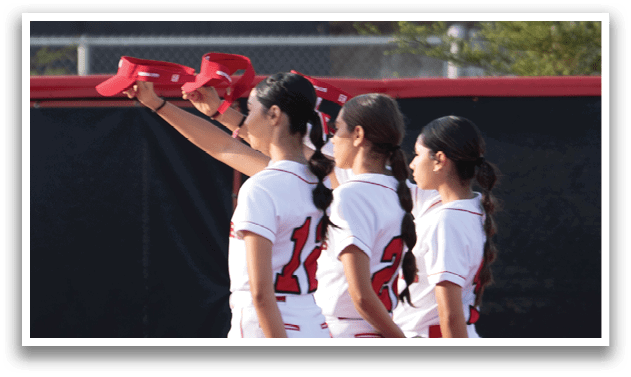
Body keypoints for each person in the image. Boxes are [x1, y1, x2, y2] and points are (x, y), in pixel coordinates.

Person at [124, 72, 335, 338]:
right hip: (312, 323)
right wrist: (160, 104)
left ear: (274, 115)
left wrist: (219, 111)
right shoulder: (322, 183)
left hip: (266, 326)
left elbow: (260, 294)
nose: (245, 122)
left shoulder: (264, 186)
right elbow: (223, 147)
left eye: (250, 111)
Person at [313, 93, 418, 338]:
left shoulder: (350, 195)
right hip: (378, 326)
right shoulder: (402, 190)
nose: (333, 139)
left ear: (358, 135)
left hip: (344, 330)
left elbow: (360, 295)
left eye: (337, 129)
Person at [392, 115, 499, 338]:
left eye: (417, 154)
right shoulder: (464, 205)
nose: (412, 163)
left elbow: (450, 315)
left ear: (439, 160)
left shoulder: (447, 220)